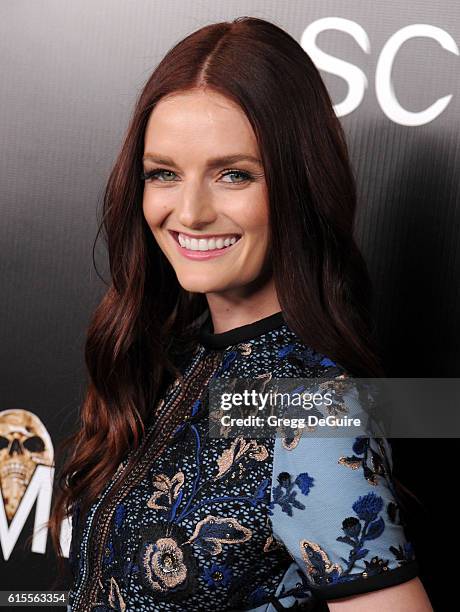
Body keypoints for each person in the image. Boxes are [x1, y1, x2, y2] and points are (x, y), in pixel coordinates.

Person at [48, 16, 433, 611]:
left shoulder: (310, 407)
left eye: (234, 175)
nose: (191, 212)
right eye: (164, 174)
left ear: (299, 185)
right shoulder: (172, 362)